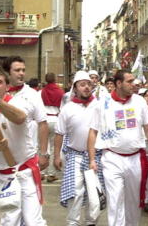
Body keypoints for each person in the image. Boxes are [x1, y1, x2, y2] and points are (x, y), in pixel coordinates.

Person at [0, 68, 47, 225]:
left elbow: (20, 117)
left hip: (23, 172)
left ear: (7, 86)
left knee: (33, 222)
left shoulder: (18, 102)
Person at [87, 70, 148, 226]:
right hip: (112, 158)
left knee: (134, 202)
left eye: (133, 81)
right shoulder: (102, 103)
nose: (133, 84)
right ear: (118, 83)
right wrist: (92, 159)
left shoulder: (139, 102)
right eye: (129, 81)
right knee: (115, 201)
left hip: (135, 158)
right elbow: (93, 131)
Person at [54, 71, 103, 226]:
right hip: (75, 155)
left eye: (88, 84)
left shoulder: (100, 106)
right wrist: (56, 156)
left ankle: (91, 222)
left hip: (97, 157)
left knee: (94, 193)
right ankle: (73, 222)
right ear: (75, 88)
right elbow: (59, 133)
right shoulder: (68, 109)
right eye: (82, 85)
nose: (86, 87)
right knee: (75, 192)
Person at [3, 56, 50, 175]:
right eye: (17, 70)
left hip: (26, 157)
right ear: (7, 72)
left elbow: (43, 124)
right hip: (1, 156)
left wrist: (44, 153)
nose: (21, 73)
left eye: (23, 70)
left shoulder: (32, 94)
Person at [41, 72, 63, 183]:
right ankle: (51, 173)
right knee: (55, 147)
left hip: (44, 119)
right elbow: (62, 107)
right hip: (55, 119)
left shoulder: (42, 91)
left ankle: (41, 172)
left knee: (43, 146)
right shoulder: (60, 91)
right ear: (54, 79)